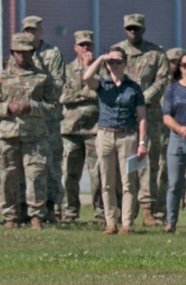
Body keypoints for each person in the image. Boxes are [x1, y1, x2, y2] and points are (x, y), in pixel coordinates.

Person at [0, 32, 58, 229]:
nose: (22, 56)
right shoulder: (2, 77)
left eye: (26, 52)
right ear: (12, 53)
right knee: (8, 176)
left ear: (33, 52)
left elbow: (53, 106)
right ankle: (10, 216)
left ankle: (36, 216)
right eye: (18, 52)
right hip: (8, 134)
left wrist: (32, 105)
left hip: (35, 134)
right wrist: (7, 107)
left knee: (36, 175)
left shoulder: (42, 77)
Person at [83, 46, 147, 234]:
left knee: (128, 182)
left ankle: (127, 223)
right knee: (107, 181)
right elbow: (87, 77)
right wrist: (101, 58)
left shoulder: (134, 88)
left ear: (125, 63)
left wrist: (142, 142)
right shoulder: (103, 84)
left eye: (118, 61)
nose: (114, 65)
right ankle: (110, 222)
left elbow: (142, 117)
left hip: (127, 136)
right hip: (105, 135)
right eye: (111, 62)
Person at [114, 14, 168, 226]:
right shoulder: (116, 53)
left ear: (143, 29)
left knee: (148, 161)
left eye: (136, 29)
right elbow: (109, 79)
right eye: (129, 28)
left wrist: (141, 100)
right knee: (124, 163)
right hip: (123, 116)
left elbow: (161, 80)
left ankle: (148, 209)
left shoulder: (156, 53)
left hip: (149, 115)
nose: (132, 32)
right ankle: (126, 209)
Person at [21, 16, 64, 222]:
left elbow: (57, 85)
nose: (30, 34)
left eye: (33, 30)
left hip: (48, 119)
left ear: (40, 32)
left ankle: (53, 208)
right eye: (26, 30)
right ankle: (24, 210)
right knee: (30, 167)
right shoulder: (17, 54)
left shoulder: (51, 54)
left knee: (52, 165)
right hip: (27, 122)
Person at [60, 30, 103, 223]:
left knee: (98, 175)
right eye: (82, 45)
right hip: (71, 129)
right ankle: (70, 211)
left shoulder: (101, 69)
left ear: (93, 47)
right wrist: (87, 91)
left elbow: (101, 93)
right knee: (70, 174)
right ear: (75, 47)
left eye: (89, 45)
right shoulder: (66, 70)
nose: (85, 48)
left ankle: (101, 212)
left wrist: (88, 69)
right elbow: (63, 96)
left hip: (95, 129)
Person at [162, 49, 186, 233]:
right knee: (175, 183)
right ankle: (170, 222)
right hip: (178, 138)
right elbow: (166, 116)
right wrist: (180, 128)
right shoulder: (172, 89)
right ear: (180, 68)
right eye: (185, 65)